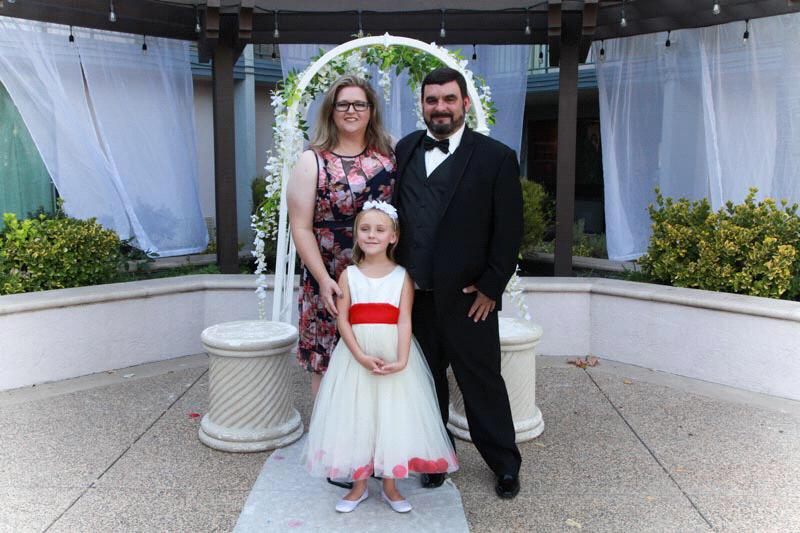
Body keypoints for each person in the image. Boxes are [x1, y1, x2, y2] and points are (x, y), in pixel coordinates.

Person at [393, 67, 524, 499]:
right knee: (425, 382)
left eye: (449, 99)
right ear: (422, 105)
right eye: (432, 100)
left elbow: (509, 230)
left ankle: (505, 465)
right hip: (415, 296)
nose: (440, 107)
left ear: (465, 103)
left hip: (470, 298)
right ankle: (436, 457)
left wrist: (491, 286)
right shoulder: (405, 149)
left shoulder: (496, 157)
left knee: (482, 382)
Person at [302, 201, 458, 514]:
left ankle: (390, 486)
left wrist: (402, 359)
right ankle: (359, 486)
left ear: (393, 237)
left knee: (391, 416)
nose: (372, 235)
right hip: (355, 357)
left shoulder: (402, 277)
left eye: (379, 230)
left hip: (392, 356)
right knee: (357, 416)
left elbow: (404, 320)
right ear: (356, 235)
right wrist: (359, 355)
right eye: (365, 229)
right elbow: (343, 321)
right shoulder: (348, 275)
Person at [287, 76, 395, 401]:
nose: (351, 110)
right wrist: (323, 280)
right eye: (343, 104)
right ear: (331, 111)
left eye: (359, 104)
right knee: (327, 360)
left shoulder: (390, 152)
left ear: (371, 110)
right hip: (329, 275)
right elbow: (300, 227)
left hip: (379, 275)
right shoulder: (312, 160)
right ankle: (327, 431)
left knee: (378, 351)